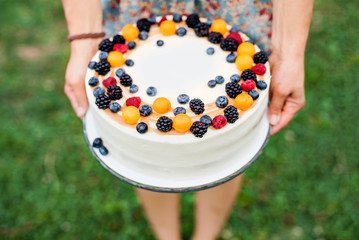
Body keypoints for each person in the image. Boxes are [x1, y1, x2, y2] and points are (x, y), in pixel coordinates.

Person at [62, 1, 313, 239]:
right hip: (142, 9)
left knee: (225, 154)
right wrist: (84, 41)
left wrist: (289, 53)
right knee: (147, 160)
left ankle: (206, 236)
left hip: (234, 9)